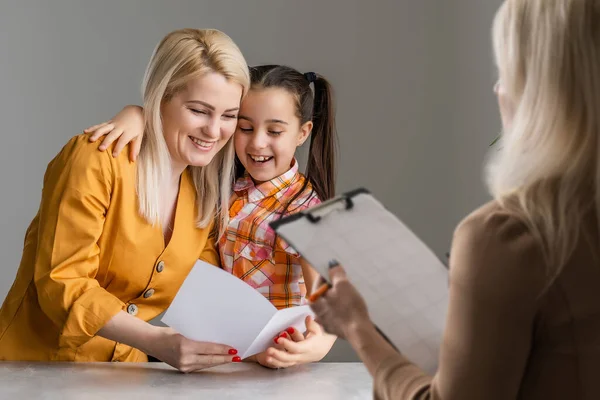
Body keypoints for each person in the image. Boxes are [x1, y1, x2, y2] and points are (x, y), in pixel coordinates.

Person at [310, 0, 600, 398]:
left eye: (506, 72)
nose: (498, 89)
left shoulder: (509, 236)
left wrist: (358, 327)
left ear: (540, 91)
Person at [0, 28, 250, 373]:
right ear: (162, 97)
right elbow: (63, 282)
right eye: (199, 110)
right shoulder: (95, 159)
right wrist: (156, 342)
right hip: (35, 371)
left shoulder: (203, 192)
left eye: (229, 115)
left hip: (125, 377)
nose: (214, 130)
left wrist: (271, 342)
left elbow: (203, 294)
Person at [84, 65, 339, 369]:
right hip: (216, 355)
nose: (257, 143)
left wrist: (319, 343)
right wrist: (136, 115)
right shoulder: (224, 183)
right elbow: (179, 135)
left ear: (303, 133)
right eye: (245, 128)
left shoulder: (306, 211)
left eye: (274, 131)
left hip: (273, 360)